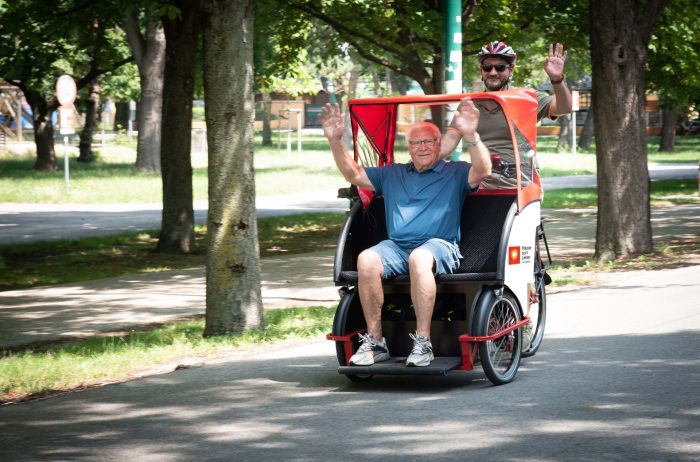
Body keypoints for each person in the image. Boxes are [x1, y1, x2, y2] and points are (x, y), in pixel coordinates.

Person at [320, 99, 491, 367]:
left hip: (439, 246)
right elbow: (353, 174)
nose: (423, 147)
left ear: (440, 144)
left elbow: (484, 169)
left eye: (429, 141)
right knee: (366, 259)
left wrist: (471, 136)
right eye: (416, 143)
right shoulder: (393, 174)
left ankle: (423, 343)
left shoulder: (454, 172)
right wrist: (335, 140)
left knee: (420, 258)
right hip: (398, 246)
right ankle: (376, 342)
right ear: (408, 148)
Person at [441, 41, 573, 188]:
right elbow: (451, 138)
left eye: (500, 67)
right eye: (487, 67)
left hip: (520, 183)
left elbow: (564, 107)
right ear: (481, 71)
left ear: (511, 70)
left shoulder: (526, 97)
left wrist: (557, 80)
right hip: (481, 181)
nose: (493, 72)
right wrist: (422, 159)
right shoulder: (470, 104)